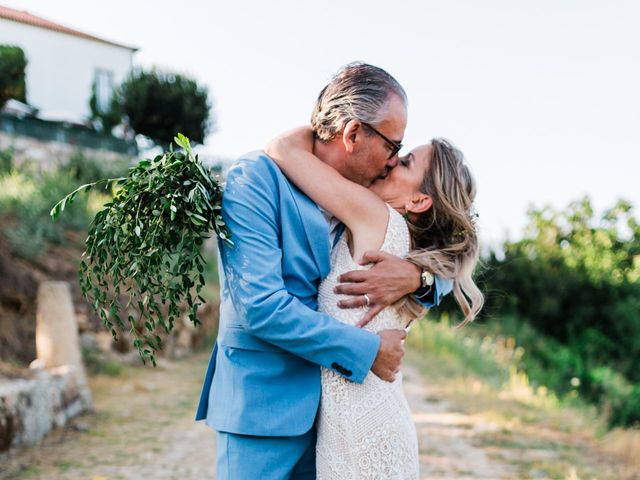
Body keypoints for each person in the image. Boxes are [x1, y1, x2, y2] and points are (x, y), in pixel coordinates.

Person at [195, 62, 452, 479]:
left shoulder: (367, 201)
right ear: (353, 134)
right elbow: (260, 306)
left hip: (334, 420)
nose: (392, 163)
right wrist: (367, 350)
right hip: (264, 408)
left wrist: (419, 277)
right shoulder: (253, 180)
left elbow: (446, 247)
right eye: (392, 146)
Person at [266, 127, 483, 478]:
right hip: (366, 428)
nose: (392, 160)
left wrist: (338, 125)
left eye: (406, 161)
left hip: (362, 436)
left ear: (419, 201)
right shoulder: (417, 254)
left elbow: (282, 149)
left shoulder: (374, 216)